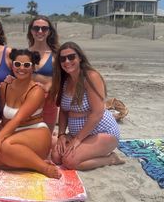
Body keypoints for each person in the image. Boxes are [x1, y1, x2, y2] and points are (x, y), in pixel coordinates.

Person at [0, 49, 61, 178]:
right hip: (15, 134)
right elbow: (5, 117)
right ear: (12, 66)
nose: (21, 68)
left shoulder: (36, 91)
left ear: (33, 67)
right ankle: (28, 164)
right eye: (17, 64)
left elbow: (18, 118)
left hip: (36, 132)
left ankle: (43, 167)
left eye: (27, 65)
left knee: (6, 146)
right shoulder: (5, 87)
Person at [50, 41, 124, 170]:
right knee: (56, 157)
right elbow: (63, 111)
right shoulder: (65, 80)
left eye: (71, 57)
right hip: (77, 133)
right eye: (62, 59)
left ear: (80, 58)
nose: (67, 61)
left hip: (102, 131)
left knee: (69, 162)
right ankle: (83, 149)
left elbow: (97, 113)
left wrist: (78, 139)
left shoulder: (91, 77)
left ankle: (111, 159)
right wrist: (61, 134)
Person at [27, 15, 59, 132]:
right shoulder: (24, 54)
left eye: (44, 28)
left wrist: (46, 85)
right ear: (31, 31)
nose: (40, 31)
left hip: (48, 102)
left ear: (49, 32)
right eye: (36, 28)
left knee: (46, 136)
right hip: (27, 101)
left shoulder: (56, 55)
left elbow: (59, 80)